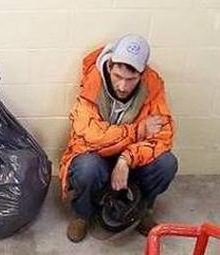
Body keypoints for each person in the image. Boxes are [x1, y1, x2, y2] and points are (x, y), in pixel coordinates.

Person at [58, 33, 178, 243]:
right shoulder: (92, 82)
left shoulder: (153, 88)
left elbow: (162, 137)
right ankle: (82, 215)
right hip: (96, 156)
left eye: (131, 80)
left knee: (167, 163)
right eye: (117, 76)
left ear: (142, 74)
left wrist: (126, 158)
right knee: (86, 167)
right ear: (109, 67)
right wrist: (137, 132)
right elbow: (90, 137)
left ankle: (142, 210)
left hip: (131, 158)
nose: (122, 86)